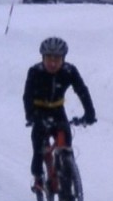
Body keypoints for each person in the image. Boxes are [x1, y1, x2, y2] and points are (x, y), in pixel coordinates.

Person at [23, 37, 96, 190]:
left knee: (66, 145)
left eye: (57, 58)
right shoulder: (35, 71)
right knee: (38, 146)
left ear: (64, 58)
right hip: (39, 110)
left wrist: (89, 113)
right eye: (49, 58)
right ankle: (38, 177)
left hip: (57, 110)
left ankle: (66, 188)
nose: (53, 63)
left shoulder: (69, 71)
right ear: (43, 58)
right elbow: (27, 96)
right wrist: (31, 116)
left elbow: (81, 90)